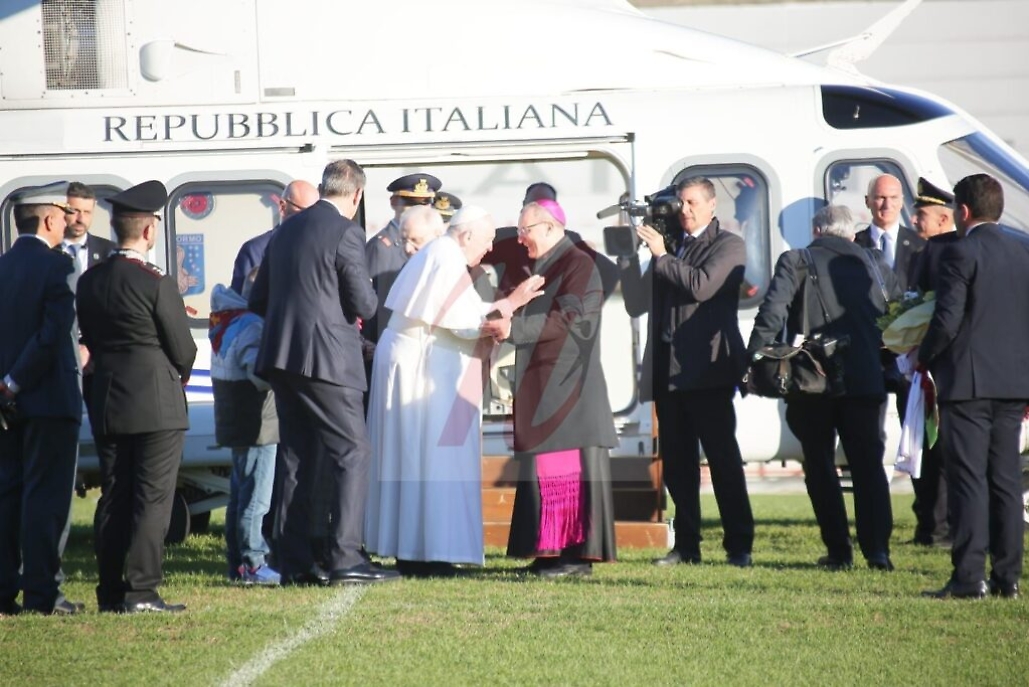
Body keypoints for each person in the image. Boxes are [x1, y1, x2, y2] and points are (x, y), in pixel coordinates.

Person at [364, 205, 544, 576]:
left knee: (417, 461)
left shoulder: (443, 256)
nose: (490, 247)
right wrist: (513, 303)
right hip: (417, 373)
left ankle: (420, 551)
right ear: (465, 236)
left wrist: (508, 304)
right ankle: (426, 555)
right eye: (487, 239)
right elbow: (465, 323)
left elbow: (463, 313)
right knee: (426, 461)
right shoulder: (445, 257)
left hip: (415, 365)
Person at [249, 159, 399, 586]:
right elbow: (365, 306)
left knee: (298, 455)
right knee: (353, 451)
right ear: (357, 195)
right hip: (329, 360)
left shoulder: (285, 232)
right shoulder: (345, 231)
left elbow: (258, 299)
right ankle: (345, 555)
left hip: (282, 358)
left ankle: (293, 559)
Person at [748, 205, 900, 571]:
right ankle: (878, 551)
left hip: (811, 380)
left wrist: (753, 358)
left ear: (817, 231)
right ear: (851, 233)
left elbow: (772, 313)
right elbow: (897, 312)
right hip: (865, 378)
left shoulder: (796, 260)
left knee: (818, 465)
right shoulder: (875, 263)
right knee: (868, 466)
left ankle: (838, 550)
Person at [76, 180, 198, 613]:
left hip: (108, 395)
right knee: (152, 499)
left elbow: (90, 338)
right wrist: (175, 376)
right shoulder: (156, 283)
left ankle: (110, 591)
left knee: (114, 495)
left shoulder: (90, 281)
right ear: (149, 232)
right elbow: (184, 349)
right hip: (156, 401)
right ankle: (142, 591)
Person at [621, 176, 754, 568]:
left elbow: (700, 285)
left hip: (709, 372)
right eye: (680, 202)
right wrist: (633, 254)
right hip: (669, 373)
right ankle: (687, 546)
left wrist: (662, 255)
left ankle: (739, 545)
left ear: (712, 205)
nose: (685, 209)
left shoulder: (728, 245)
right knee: (678, 466)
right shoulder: (671, 245)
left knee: (723, 460)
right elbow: (634, 303)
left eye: (692, 202)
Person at [920, 174, 1029, 600]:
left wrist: (922, 355)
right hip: (1014, 382)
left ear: (962, 212)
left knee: (968, 481)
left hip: (967, 382)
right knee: (1004, 479)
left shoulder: (960, 252)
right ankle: (1009, 577)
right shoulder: (1023, 251)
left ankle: (968, 577)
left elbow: (948, 319)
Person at [505, 200, 619, 578]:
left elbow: (570, 319)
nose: (521, 239)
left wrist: (514, 330)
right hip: (546, 388)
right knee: (547, 475)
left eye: (526, 231)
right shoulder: (545, 265)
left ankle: (572, 558)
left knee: (564, 475)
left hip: (568, 391)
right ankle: (549, 553)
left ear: (551, 227)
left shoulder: (578, 264)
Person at [0, 182, 84, 616]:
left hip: (7, 404)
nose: (70, 220)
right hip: (47, 398)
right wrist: (15, 379)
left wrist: (6, 383)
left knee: (9, 494)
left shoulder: (3, 265)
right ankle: (42, 593)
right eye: (64, 213)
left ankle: (3, 590)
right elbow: (52, 334)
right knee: (47, 500)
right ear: (49, 219)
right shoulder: (58, 266)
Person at [210, 270, 280, 586]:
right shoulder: (253, 325)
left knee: (239, 494)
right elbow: (258, 374)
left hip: (235, 420)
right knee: (256, 497)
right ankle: (253, 563)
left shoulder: (228, 320)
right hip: (258, 424)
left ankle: (236, 563)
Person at [904, 177, 956, 548]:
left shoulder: (934, 251)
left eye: (921, 214)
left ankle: (934, 528)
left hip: (936, 367)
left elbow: (918, 305)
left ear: (943, 218)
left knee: (935, 449)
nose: (914, 220)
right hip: (961, 369)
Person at [365, 173, 442, 345]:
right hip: (393, 341)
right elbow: (381, 309)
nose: (418, 210)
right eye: (410, 203)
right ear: (394, 203)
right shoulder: (382, 248)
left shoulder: (432, 244)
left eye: (424, 203)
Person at [230, 180, 319, 295]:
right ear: (282, 207)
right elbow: (240, 303)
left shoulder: (321, 248)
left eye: (316, 213)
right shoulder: (255, 251)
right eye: (305, 212)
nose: (311, 219)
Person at [855, 173, 925, 292]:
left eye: (893, 198)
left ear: (901, 201)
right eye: (881, 198)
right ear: (867, 201)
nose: (887, 205)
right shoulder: (855, 245)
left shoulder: (920, 244)